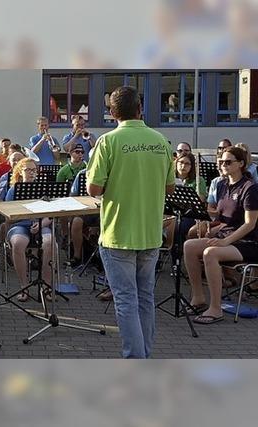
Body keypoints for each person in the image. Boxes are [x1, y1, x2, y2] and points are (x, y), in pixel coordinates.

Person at [87, 86, 174, 359]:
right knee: (146, 299)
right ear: (140, 109)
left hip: (118, 233)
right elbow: (170, 187)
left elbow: (94, 189)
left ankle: (136, 360)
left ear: (112, 113)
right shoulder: (160, 140)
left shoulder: (108, 141)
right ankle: (144, 354)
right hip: (150, 232)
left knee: (126, 301)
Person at [184, 146, 258, 325]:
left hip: (248, 242)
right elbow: (224, 218)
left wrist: (224, 241)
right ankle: (198, 298)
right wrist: (213, 227)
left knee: (211, 252)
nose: (223, 165)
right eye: (221, 162)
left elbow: (250, 223)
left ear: (241, 164)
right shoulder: (223, 185)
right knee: (189, 246)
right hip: (227, 237)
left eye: (228, 162)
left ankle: (216, 308)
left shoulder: (250, 188)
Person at [4, 158, 56, 302]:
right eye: (27, 170)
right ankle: (24, 286)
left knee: (49, 242)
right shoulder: (14, 189)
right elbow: (8, 216)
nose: (31, 173)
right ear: (20, 171)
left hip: (41, 224)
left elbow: (52, 214)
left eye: (34, 170)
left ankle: (46, 286)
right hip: (20, 224)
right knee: (18, 243)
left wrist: (41, 224)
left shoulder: (44, 189)